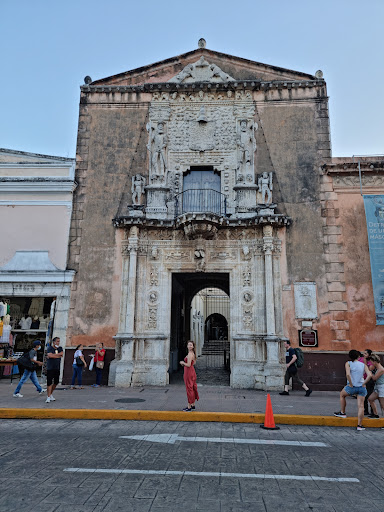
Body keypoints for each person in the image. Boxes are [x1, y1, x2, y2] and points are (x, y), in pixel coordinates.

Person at [334, 350, 372, 431]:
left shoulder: (348, 363)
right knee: (361, 406)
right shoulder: (363, 365)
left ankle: (343, 412)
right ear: (358, 356)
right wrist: (364, 383)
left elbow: (348, 374)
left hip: (352, 386)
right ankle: (359, 425)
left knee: (342, 395)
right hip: (361, 387)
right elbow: (369, 375)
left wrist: (351, 384)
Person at [179, 340, 199, 412]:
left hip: (188, 372)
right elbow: (193, 363)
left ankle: (189, 406)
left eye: (191, 345)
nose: (189, 346)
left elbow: (188, 364)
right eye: (189, 345)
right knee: (192, 387)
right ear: (187, 346)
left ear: (193, 346)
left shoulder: (190, 354)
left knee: (189, 389)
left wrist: (183, 362)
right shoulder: (192, 353)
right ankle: (193, 405)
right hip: (191, 371)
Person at [45, 337, 63, 403]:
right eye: (57, 341)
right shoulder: (50, 348)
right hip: (50, 367)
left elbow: (61, 354)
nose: (58, 343)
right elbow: (50, 355)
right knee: (49, 382)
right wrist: (56, 356)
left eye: (59, 341)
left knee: (56, 382)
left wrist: (54, 355)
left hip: (57, 367)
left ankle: (51, 394)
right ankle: (48, 396)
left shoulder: (60, 348)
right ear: (54, 342)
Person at [367, 354, 384, 419]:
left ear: (375, 361)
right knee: (370, 399)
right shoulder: (378, 368)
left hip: (382, 387)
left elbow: (374, 378)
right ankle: (375, 414)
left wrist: (370, 372)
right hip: (377, 387)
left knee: (383, 405)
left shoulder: (381, 369)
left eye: (371, 361)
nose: (371, 363)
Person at [358, 349, 375, 415]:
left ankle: (373, 411)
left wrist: (365, 363)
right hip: (363, 379)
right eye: (363, 353)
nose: (364, 355)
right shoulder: (361, 359)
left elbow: (370, 369)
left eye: (365, 354)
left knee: (370, 396)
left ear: (369, 355)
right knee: (364, 395)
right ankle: (366, 410)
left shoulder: (371, 361)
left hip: (369, 380)